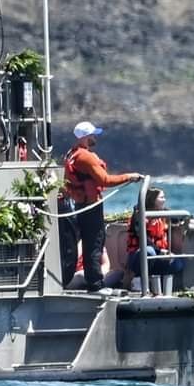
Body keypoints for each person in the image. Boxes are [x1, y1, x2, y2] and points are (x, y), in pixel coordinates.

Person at [59, 121, 142, 293]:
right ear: (85, 137)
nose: (95, 138)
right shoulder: (86, 158)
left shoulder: (72, 154)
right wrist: (129, 176)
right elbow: (105, 180)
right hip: (90, 207)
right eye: (92, 135)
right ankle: (95, 285)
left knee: (90, 243)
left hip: (80, 205)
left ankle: (89, 282)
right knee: (94, 244)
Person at [125, 186, 185, 292]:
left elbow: (181, 217)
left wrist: (191, 220)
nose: (165, 200)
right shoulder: (138, 216)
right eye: (161, 198)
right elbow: (142, 238)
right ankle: (138, 281)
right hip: (138, 257)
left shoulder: (164, 213)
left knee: (179, 263)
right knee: (148, 251)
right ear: (153, 200)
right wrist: (159, 251)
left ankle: (160, 283)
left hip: (158, 257)